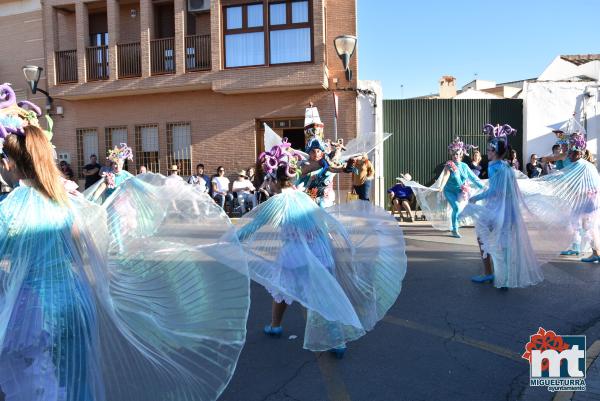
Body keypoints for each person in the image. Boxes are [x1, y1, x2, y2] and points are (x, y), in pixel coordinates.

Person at [0, 85, 250, 401]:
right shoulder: (65, 197)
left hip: (38, 308)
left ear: (8, 161)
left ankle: (276, 323)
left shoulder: (16, 205)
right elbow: (85, 240)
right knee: (74, 379)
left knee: (42, 382)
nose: (116, 167)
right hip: (76, 301)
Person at [235, 146, 407, 358]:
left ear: (273, 179)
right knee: (314, 291)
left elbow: (253, 227)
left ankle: (295, 330)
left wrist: (229, 240)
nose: (265, 185)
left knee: (288, 289)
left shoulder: (278, 202)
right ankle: (298, 330)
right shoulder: (302, 196)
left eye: (267, 180)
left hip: (296, 256)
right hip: (321, 252)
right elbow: (323, 223)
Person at [464, 124, 552, 288]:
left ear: (495, 152)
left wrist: (475, 198)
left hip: (496, 209)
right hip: (509, 212)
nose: (487, 153)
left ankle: (490, 273)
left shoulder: (493, 166)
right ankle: (504, 277)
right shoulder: (506, 166)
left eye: (489, 151)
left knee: (483, 237)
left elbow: (493, 191)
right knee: (503, 243)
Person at [435, 137, 484, 237]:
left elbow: (474, 178)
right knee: (456, 208)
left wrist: (483, 187)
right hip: (449, 191)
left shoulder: (464, 166)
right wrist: (441, 186)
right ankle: (454, 229)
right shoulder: (449, 165)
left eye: (458, 154)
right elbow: (445, 176)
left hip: (460, 191)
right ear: (451, 155)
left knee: (461, 210)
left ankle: (454, 222)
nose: (456, 156)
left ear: (461, 155)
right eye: (454, 154)